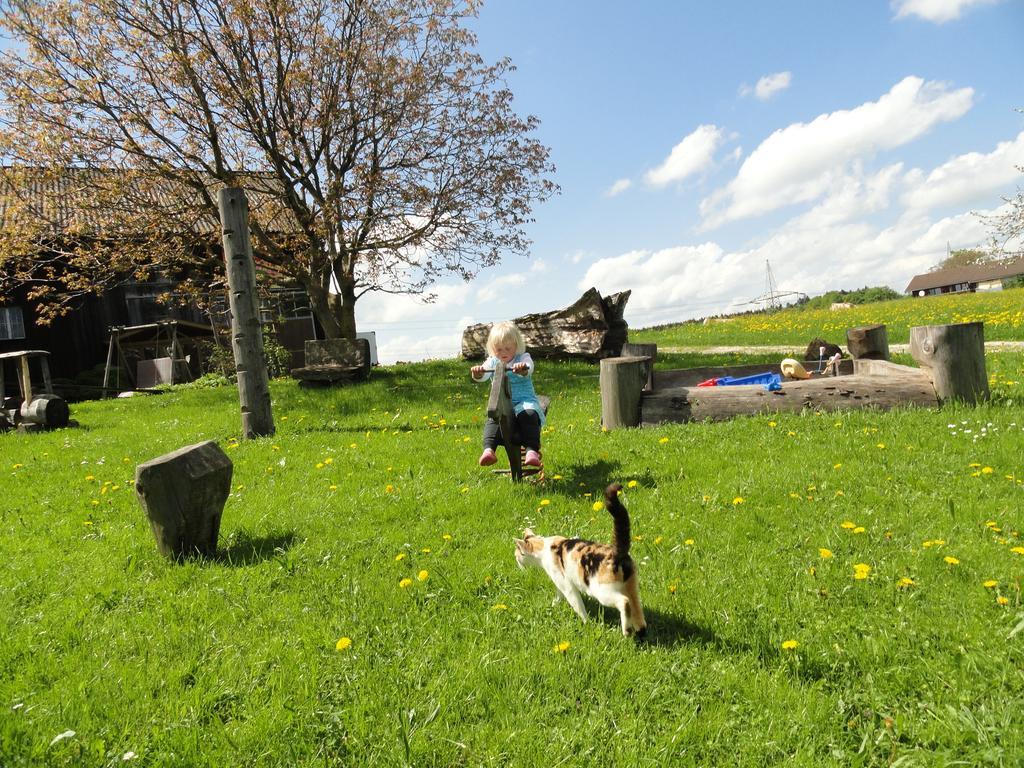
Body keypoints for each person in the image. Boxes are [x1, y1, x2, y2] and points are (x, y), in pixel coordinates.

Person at [470, 321, 544, 467]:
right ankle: (489, 450)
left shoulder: (523, 358)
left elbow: (529, 368)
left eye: (507, 348)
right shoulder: (492, 362)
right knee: (493, 420)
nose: (503, 353)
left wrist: (523, 369)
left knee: (529, 415)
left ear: (516, 346)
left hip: (523, 401)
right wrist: (478, 373)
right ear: (492, 349)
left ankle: (531, 450)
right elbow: (483, 375)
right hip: (503, 404)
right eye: (498, 349)